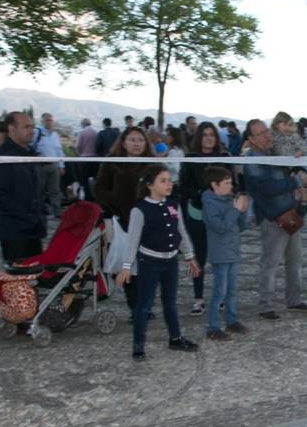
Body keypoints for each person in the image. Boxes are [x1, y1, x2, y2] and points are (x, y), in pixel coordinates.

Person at [114, 164, 200, 360]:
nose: (169, 184)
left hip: (170, 262)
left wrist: (189, 256)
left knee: (170, 302)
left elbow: (181, 232)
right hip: (149, 262)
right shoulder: (140, 209)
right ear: (150, 185)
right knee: (144, 305)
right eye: (163, 181)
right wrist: (126, 266)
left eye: (169, 180)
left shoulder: (173, 205)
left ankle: (175, 338)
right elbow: (132, 240)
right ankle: (138, 345)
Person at [241, 118, 307, 320]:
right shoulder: (252, 160)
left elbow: (292, 171)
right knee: (270, 263)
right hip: (272, 218)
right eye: (261, 133)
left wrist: (297, 166)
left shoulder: (274, 153)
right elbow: (267, 188)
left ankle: (294, 300)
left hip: (290, 214)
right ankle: (265, 305)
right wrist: (293, 181)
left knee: (295, 260)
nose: (267, 135)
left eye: (267, 131)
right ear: (251, 139)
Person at [93, 125, 157, 315]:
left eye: (140, 140)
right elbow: (99, 189)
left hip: (149, 222)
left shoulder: (153, 164)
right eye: (132, 139)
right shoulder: (112, 162)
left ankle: (146, 304)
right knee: (128, 265)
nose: (136, 144)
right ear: (123, 142)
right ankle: (136, 306)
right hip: (124, 220)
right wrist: (114, 203)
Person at [180, 122, 229, 314]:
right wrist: (201, 194)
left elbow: (232, 182)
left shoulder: (224, 158)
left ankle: (221, 296)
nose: (209, 138)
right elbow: (183, 187)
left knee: (220, 257)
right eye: (205, 134)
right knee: (198, 257)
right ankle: (198, 298)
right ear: (199, 137)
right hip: (197, 213)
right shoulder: (190, 158)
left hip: (220, 214)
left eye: (212, 134)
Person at [0, 111, 44, 263]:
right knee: (17, 282)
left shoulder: (29, 153)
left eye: (32, 127)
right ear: (12, 129)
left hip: (32, 229)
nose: (31, 131)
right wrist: (25, 216)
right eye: (26, 127)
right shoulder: (3, 156)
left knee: (33, 278)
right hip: (15, 231)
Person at [201, 165, 251, 340]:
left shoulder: (230, 199)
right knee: (219, 292)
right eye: (227, 183)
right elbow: (220, 227)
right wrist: (235, 210)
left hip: (233, 250)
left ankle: (231, 320)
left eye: (231, 182)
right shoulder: (209, 203)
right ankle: (213, 326)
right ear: (215, 185)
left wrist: (244, 211)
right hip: (220, 253)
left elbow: (242, 226)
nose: (231, 186)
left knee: (231, 290)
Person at [270, 111, 307, 240]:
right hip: (281, 169)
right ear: (277, 124)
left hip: (294, 167)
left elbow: (305, 148)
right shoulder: (271, 136)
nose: (286, 127)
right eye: (284, 124)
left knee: (302, 189)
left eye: (288, 124)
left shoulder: (293, 136)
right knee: (303, 192)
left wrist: (299, 152)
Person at [32, 112, 65, 219]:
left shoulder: (55, 135)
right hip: (41, 165)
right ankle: (40, 209)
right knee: (39, 190)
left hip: (54, 165)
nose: (49, 122)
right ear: (42, 121)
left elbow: (59, 150)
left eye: (50, 120)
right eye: (47, 120)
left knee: (55, 190)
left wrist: (61, 165)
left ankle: (57, 211)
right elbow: (30, 146)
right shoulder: (37, 132)